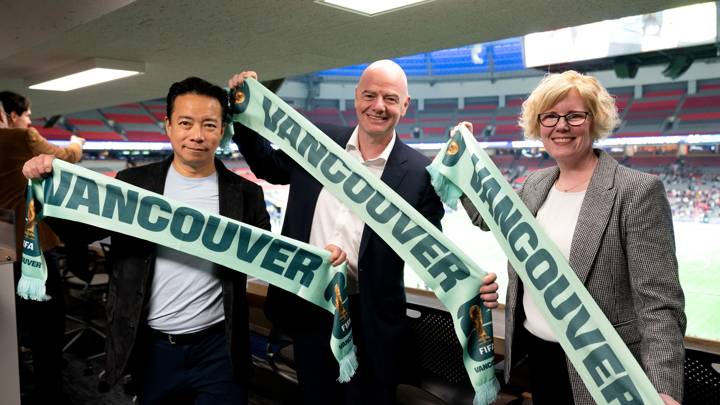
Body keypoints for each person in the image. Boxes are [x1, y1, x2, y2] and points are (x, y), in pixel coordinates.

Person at [22, 77, 346, 405]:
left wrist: (320, 259)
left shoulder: (246, 193)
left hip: (219, 350)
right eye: (186, 123)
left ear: (222, 130)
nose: (197, 135)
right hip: (153, 349)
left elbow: (271, 257)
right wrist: (47, 187)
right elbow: (78, 232)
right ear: (168, 126)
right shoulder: (133, 184)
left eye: (209, 124)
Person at [229, 61, 498, 405]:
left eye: (390, 98)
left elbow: (432, 250)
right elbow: (267, 166)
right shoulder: (317, 140)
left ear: (405, 105)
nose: (378, 106)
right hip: (310, 307)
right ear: (356, 98)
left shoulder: (419, 174)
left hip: (371, 321)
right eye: (369, 95)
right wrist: (243, 111)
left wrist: (474, 285)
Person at [462, 70, 685, 405]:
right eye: (550, 116)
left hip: (603, 371)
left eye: (574, 115)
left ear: (594, 122)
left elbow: (659, 304)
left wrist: (664, 389)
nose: (561, 126)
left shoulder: (636, 191)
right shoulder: (536, 184)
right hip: (538, 356)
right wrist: (464, 159)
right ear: (538, 125)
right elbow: (487, 216)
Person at [0, 90, 84, 404]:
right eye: (27, 115)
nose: (29, 121)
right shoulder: (20, 138)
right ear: (10, 115)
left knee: (9, 327)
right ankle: (49, 392)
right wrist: (77, 143)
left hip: (0, 240)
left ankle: (13, 386)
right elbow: (64, 159)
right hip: (30, 247)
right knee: (47, 330)